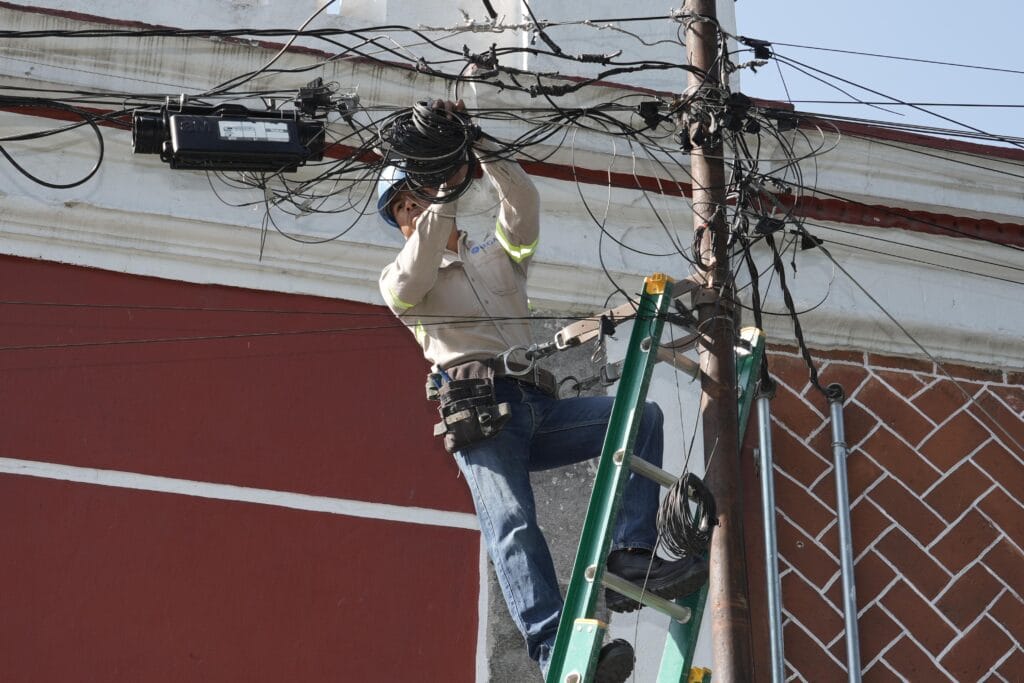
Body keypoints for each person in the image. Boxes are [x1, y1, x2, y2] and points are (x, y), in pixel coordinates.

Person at [378, 101, 707, 681]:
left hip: (535, 402)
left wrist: (479, 148)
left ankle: (632, 557)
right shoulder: (403, 280)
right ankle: (555, 648)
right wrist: (443, 186)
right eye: (403, 206)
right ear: (402, 218)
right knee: (513, 525)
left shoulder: (496, 256)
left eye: (414, 198)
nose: (414, 212)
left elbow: (522, 204)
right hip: (481, 413)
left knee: (641, 419)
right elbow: (425, 249)